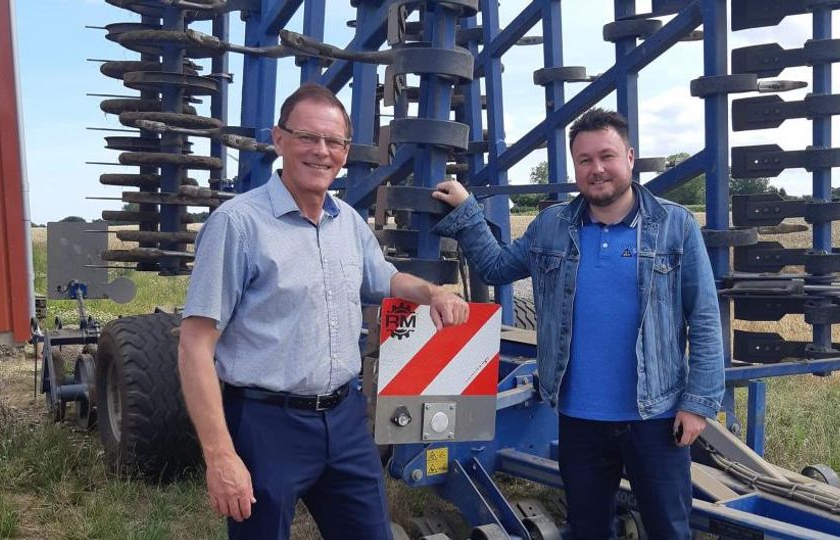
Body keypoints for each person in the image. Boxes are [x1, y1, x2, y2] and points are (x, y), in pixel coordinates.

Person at [178, 82, 469, 540]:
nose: (321, 152)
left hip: (344, 418)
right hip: (265, 423)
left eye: (333, 142)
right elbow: (196, 343)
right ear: (279, 139)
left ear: (346, 150)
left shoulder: (347, 221)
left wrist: (432, 293)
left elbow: (385, 278)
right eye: (307, 137)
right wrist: (220, 455)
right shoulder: (238, 224)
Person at [431, 108, 724, 539]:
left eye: (607, 156)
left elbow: (703, 318)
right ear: (575, 168)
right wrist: (468, 211)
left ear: (630, 157)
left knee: (669, 529)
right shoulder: (552, 226)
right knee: (587, 529)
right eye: (584, 160)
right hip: (579, 418)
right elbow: (495, 267)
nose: (597, 169)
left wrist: (698, 404)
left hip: (655, 415)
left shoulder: (674, 226)